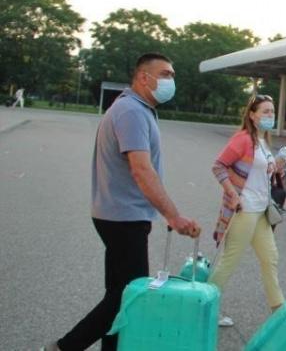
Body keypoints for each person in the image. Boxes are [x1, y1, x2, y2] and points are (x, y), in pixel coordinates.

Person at [45, 53, 200, 351]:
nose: (171, 81)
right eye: (166, 74)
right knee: (130, 298)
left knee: (120, 294)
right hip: (122, 217)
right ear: (144, 77)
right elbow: (141, 169)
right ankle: (63, 348)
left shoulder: (136, 109)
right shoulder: (131, 111)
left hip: (117, 214)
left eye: (172, 75)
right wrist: (174, 216)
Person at [209, 94, 286, 327]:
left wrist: (276, 166)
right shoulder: (243, 139)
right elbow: (218, 166)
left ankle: (279, 311)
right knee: (229, 261)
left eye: (272, 112)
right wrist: (233, 194)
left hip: (260, 210)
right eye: (265, 112)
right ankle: (205, 308)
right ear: (252, 115)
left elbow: (259, 173)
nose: (270, 116)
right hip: (245, 210)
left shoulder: (263, 142)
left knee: (270, 258)